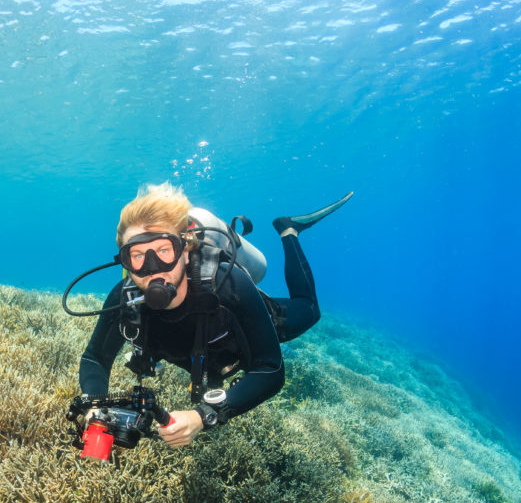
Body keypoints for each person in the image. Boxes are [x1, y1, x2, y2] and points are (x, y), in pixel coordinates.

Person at [78, 182, 351, 447]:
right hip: (199, 354)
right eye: (137, 255)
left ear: (185, 250)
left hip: (248, 330)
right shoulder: (125, 298)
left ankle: (288, 231)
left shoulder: (230, 286)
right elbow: (95, 358)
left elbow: (270, 370)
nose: (152, 268)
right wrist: (94, 407)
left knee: (309, 309)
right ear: (124, 261)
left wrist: (203, 416)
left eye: (164, 250)